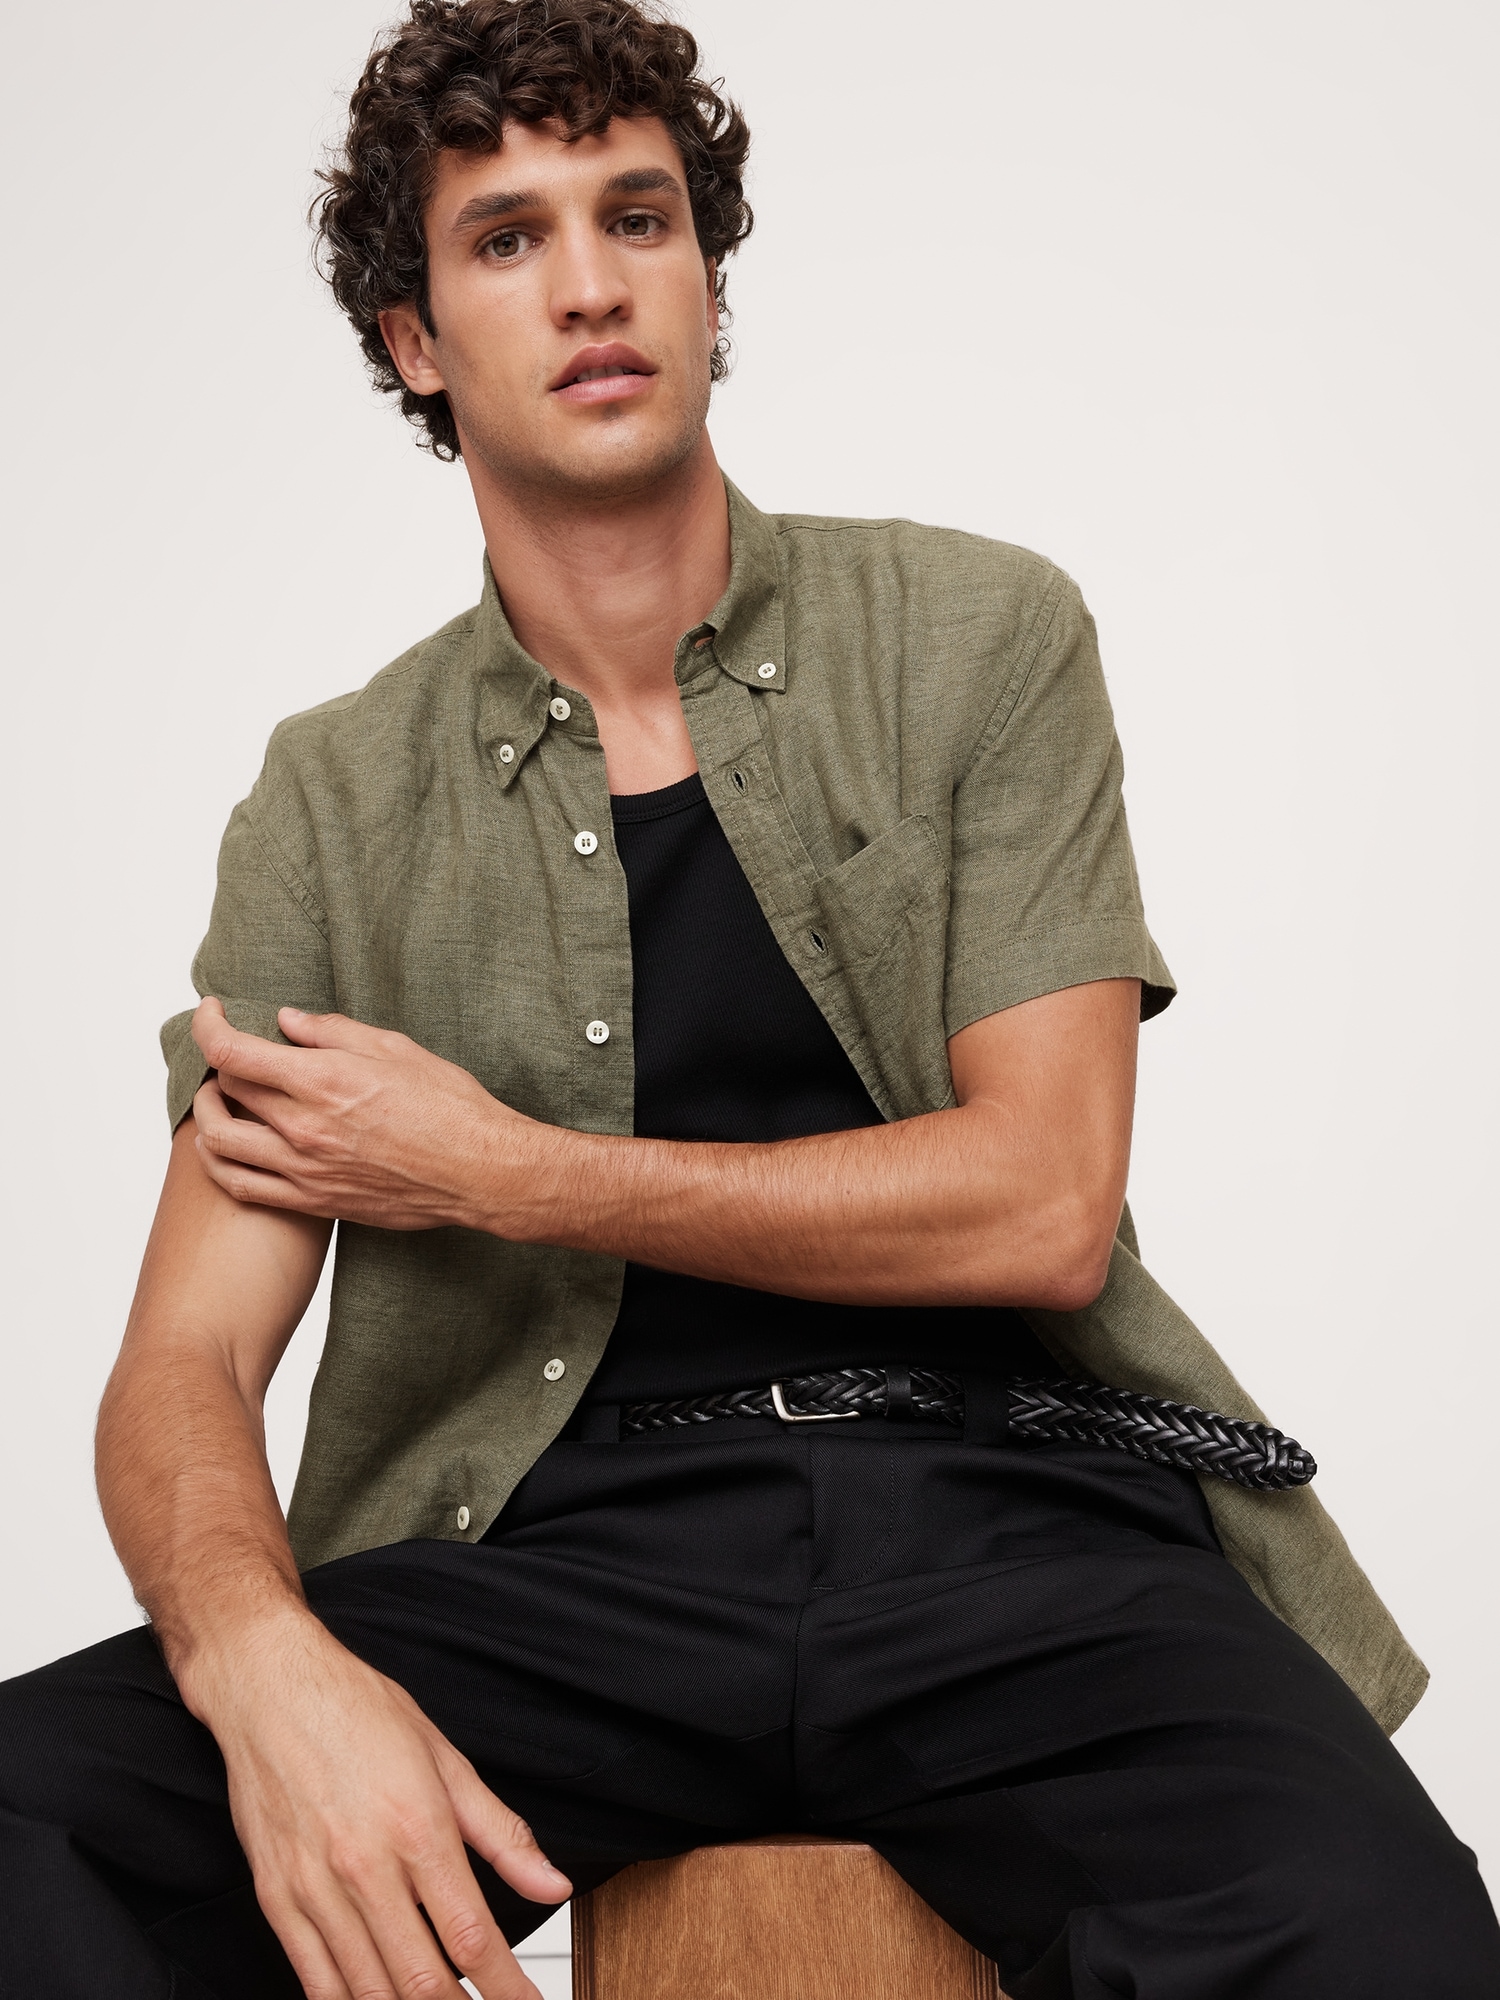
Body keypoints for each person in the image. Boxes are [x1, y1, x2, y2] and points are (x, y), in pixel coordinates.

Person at [1, 2, 1496, 1995]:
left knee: (1382, 1935)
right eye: (510, 238)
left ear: (709, 278)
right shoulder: (333, 802)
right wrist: (262, 1657)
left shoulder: (975, 636)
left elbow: (1042, 1200)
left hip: (1009, 1525)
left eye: (639, 217)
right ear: (415, 341)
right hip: (558, 1566)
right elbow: (183, 1358)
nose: (593, 284)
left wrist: (506, 1171)